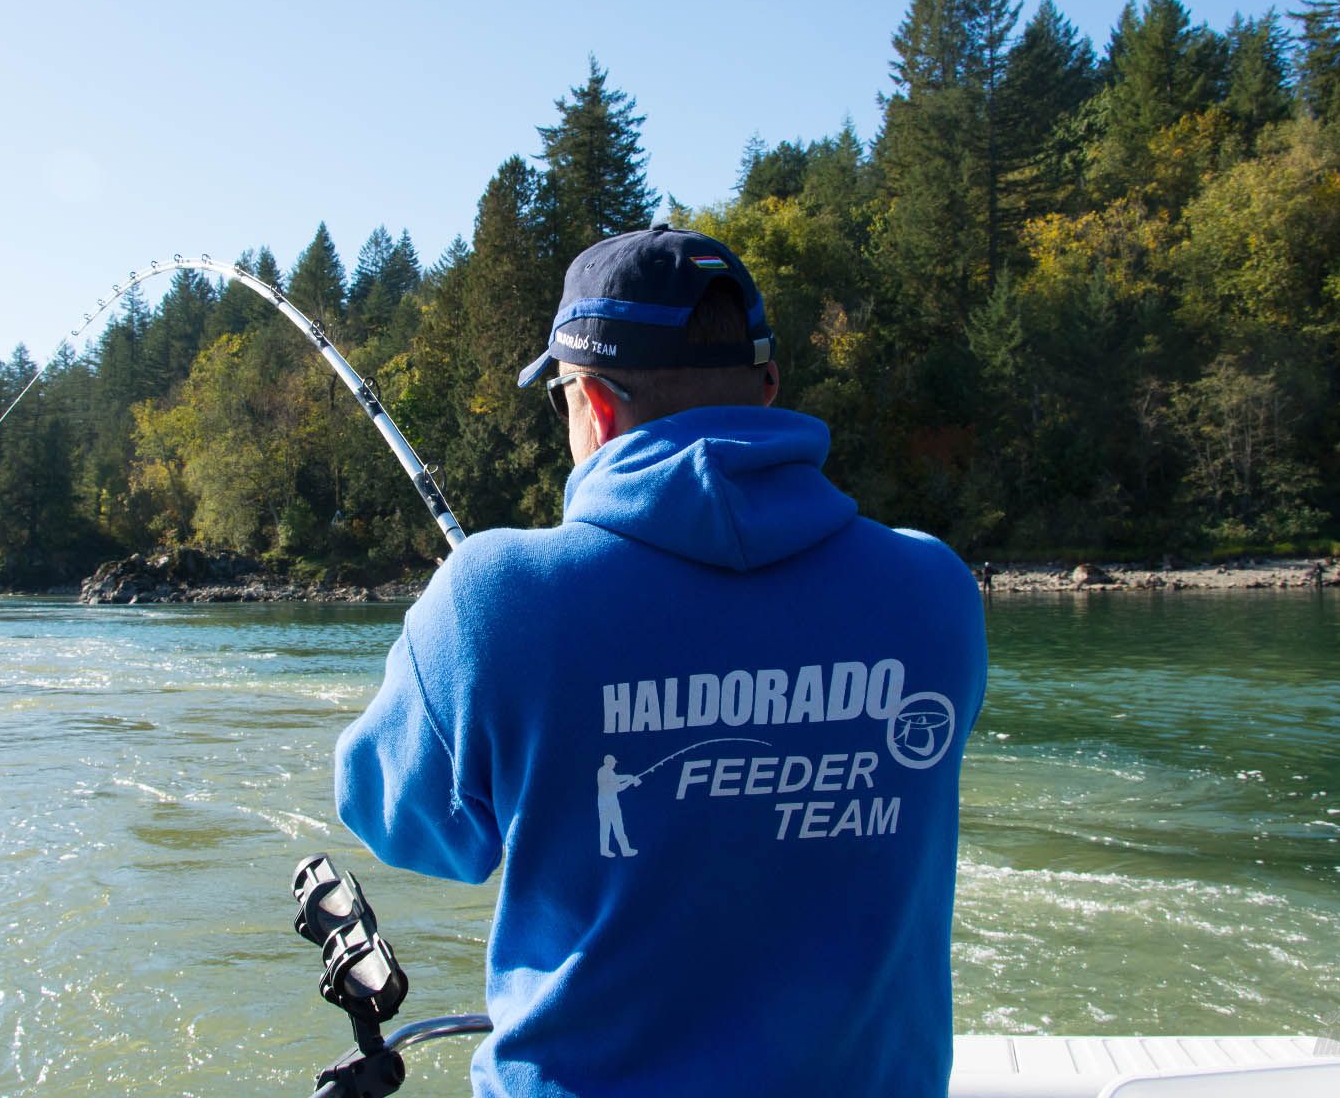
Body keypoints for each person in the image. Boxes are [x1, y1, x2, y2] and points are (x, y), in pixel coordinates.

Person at [335, 224, 987, 1097]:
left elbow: (401, 822)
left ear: (595, 405)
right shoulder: (934, 591)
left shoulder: (493, 594)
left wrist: (452, 649)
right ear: (768, 385)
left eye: (563, 395)